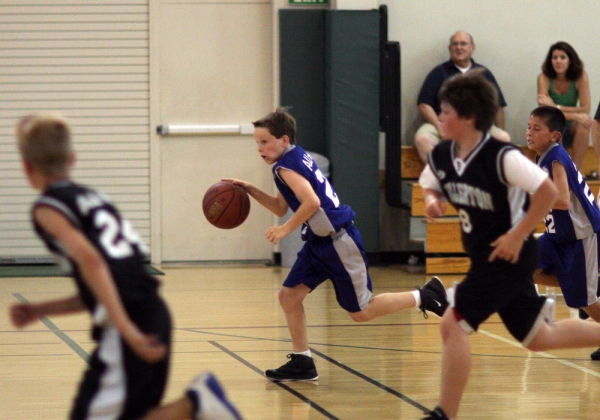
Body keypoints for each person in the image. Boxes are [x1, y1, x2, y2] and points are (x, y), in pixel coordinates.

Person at [10, 114, 242, 420]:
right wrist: (41, 310)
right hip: (154, 312)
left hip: (130, 327)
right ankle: (196, 403)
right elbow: (106, 282)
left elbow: (93, 262)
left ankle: (196, 404)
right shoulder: (95, 199)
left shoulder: (49, 208)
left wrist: (128, 332)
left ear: (27, 167)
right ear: (72, 159)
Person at [419, 73, 600, 420]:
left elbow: (549, 193)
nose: (439, 117)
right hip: (488, 258)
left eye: (446, 111)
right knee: (539, 338)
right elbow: (430, 184)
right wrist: (431, 201)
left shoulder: (502, 156)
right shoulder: (443, 155)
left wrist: (517, 234)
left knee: (451, 323)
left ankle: (445, 414)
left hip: (508, 258)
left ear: (469, 117)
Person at [225, 108, 448, 382]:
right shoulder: (291, 158)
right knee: (289, 297)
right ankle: (302, 361)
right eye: (257, 142)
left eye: (264, 141)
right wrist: (249, 189)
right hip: (318, 244)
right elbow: (280, 206)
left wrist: (284, 230)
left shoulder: (285, 167)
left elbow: (312, 202)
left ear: (283, 140)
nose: (259, 148)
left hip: (338, 243)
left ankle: (424, 295)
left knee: (361, 311)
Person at [526, 105, 600, 361]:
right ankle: (583, 283)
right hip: (557, 235)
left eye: (537, 129)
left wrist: (527, 198)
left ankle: (586, 286)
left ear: (555, 135)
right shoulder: (543, 156)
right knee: (527, 269)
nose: (530, 133)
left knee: (585, 301)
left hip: (580, 236)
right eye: (529, 127)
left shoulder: (556, 158)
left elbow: (562, 201)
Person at [414, 30, 510, 164]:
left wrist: (499, 130)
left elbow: (498, 106)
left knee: (503, 138)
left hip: (478, 126)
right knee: (422, 138)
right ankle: (445, 174)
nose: (459, 47)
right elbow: (424, 104)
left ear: (472, 48)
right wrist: (440, 127)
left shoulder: (484, 73)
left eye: (463, 44)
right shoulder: (438, 73)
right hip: (443, 124)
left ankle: (481, 175)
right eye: (455, 44)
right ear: (450, 48)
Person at [537, 41, 592, 171]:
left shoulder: (581, 76)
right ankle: (559, 170)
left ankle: (575, 171)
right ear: (550, 61)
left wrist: (555, 106)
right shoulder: (543, 77)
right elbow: (545, 112)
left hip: (571, 127)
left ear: (570, 61)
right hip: (552, 126)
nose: (558, 61)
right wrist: (575, 115)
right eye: (555, 58)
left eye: (562, 57)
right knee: (556, 126)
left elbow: (585, 109)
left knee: (584, 126)